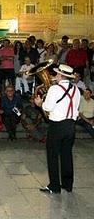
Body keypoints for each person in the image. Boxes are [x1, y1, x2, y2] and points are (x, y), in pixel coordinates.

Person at [34, 64, 81, 194]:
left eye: (56, 74)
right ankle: (68, 184)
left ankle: (54, 186)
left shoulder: (55, 89)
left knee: (52, 156)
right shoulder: (76, 89)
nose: (54, 76)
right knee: (67, 155)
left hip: (57, 126)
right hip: (71, 126)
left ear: (60, 75)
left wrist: (39, 104)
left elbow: (48, 107)